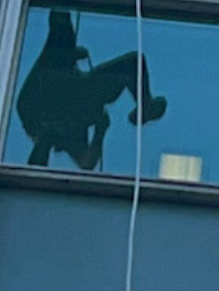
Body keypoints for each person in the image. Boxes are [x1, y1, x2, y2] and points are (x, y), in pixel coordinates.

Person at [16, 10, 167, 172]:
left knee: (61, 32)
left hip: (72, 83)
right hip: (82, 91)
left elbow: (86, 163)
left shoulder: (28, 111)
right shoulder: (65, 134)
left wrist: (99, 131)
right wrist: (100, 132)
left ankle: (145, 104)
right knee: (133, 63)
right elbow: (86, 163)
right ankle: (145, 104)